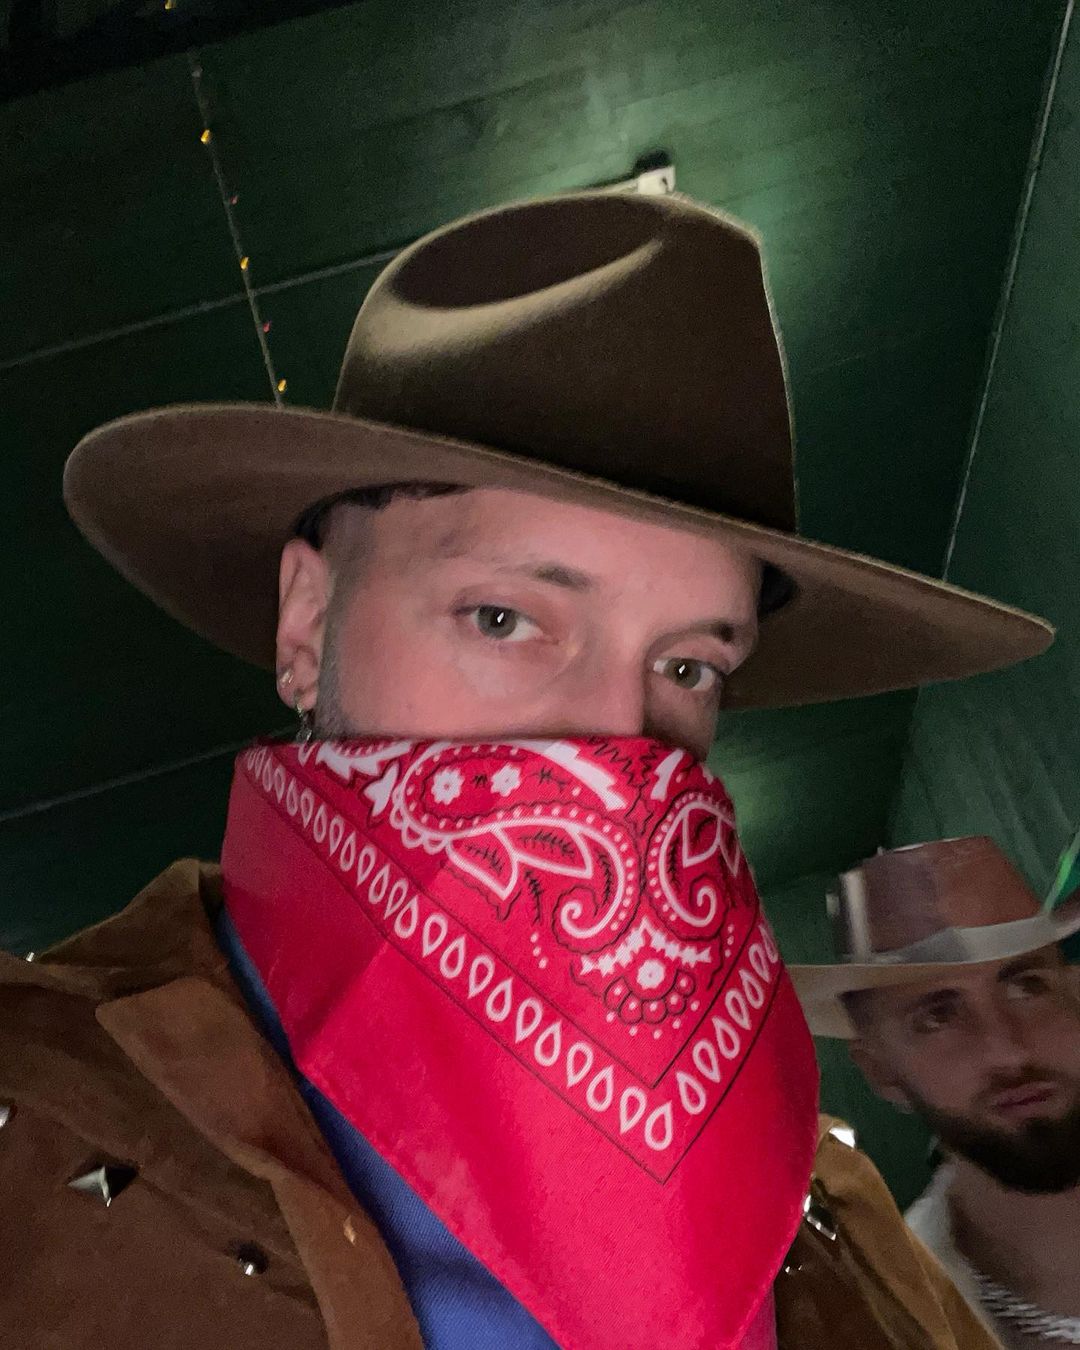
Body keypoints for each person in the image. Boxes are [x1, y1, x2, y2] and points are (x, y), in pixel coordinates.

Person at [0, 192, 1047, 1349]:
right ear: (307, 622)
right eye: (502, 618)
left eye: (689, 667)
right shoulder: (35, 1114)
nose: (613, 738)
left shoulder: (820, 1196)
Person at [791, 836, 1080, 1348]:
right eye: (938, 1015)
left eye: (1027, 985)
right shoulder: (901, 1325)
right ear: (881, 1072)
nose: (1006, 1049)